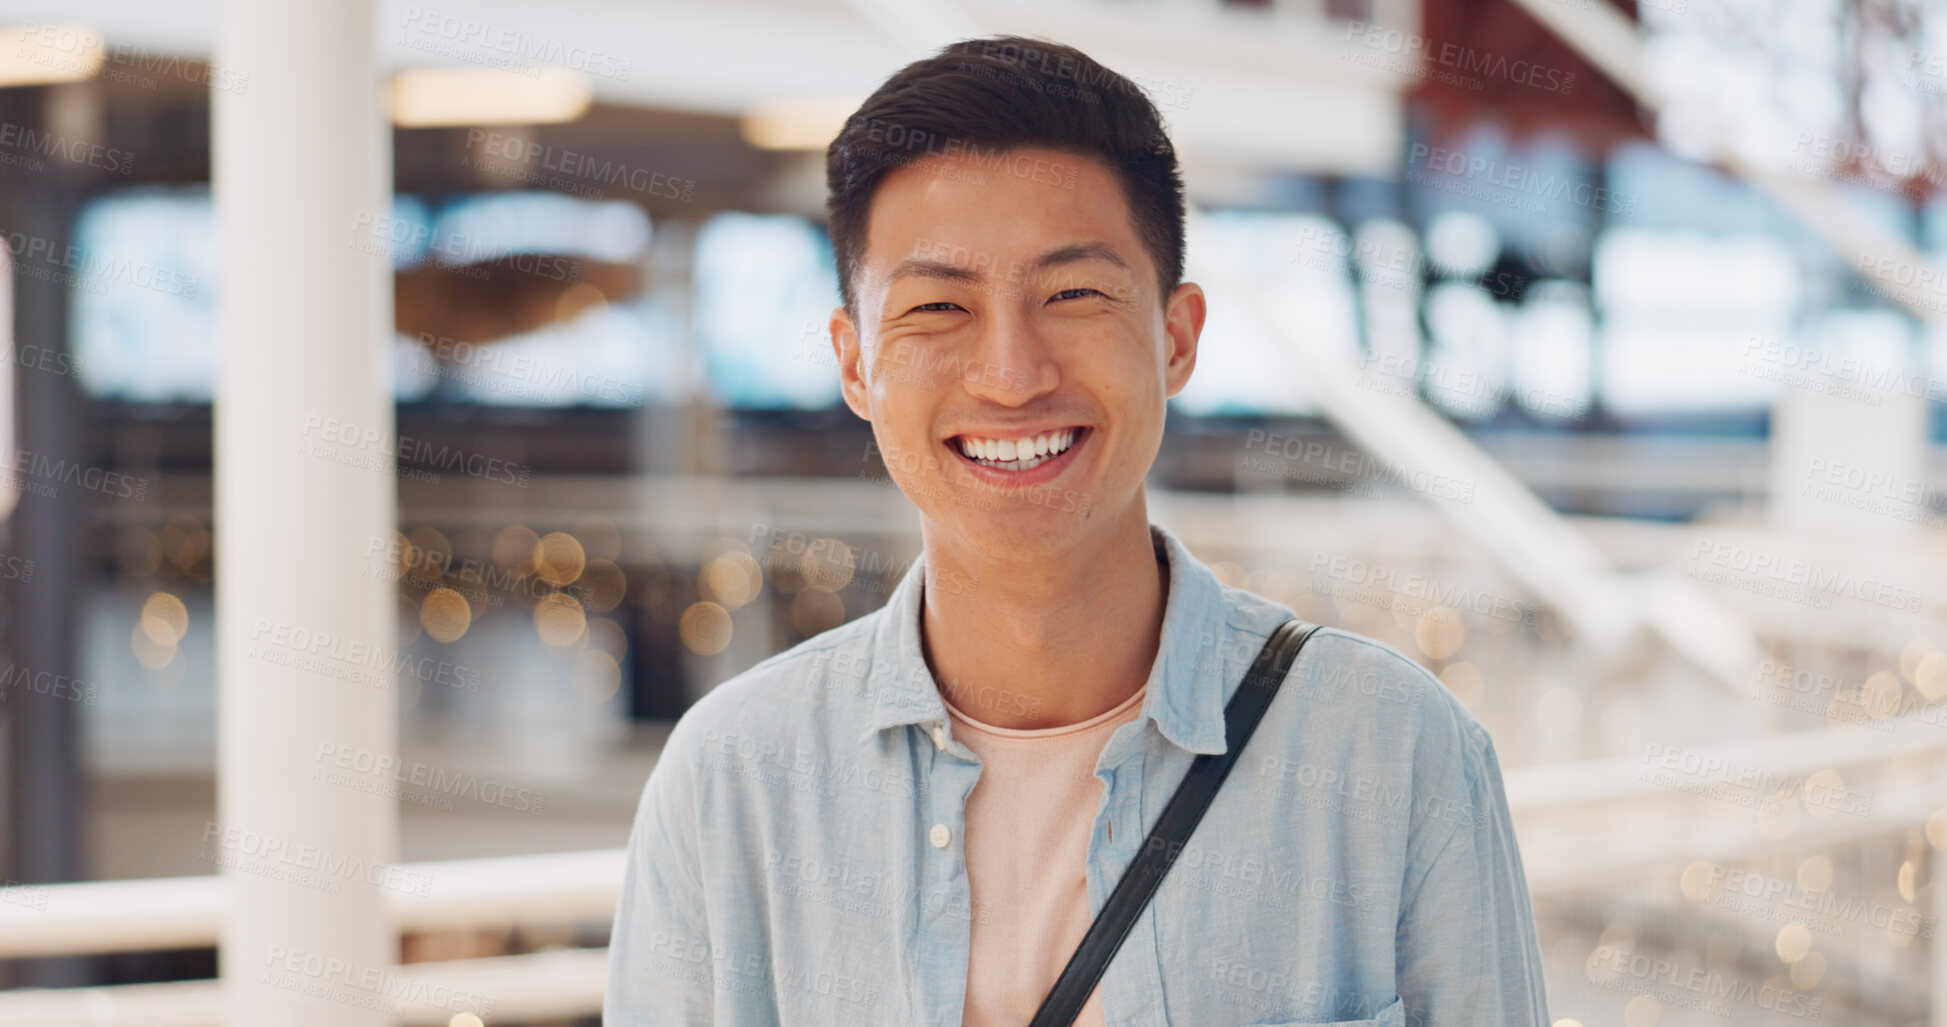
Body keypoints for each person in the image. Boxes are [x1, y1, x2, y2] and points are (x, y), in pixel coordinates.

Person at [606, 34, 1550, 1027]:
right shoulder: (734, 783)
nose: (1011, 374)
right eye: (937, 307)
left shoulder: (1392, 753)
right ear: (855, 366)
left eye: (1072, 294)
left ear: (1176, 336)